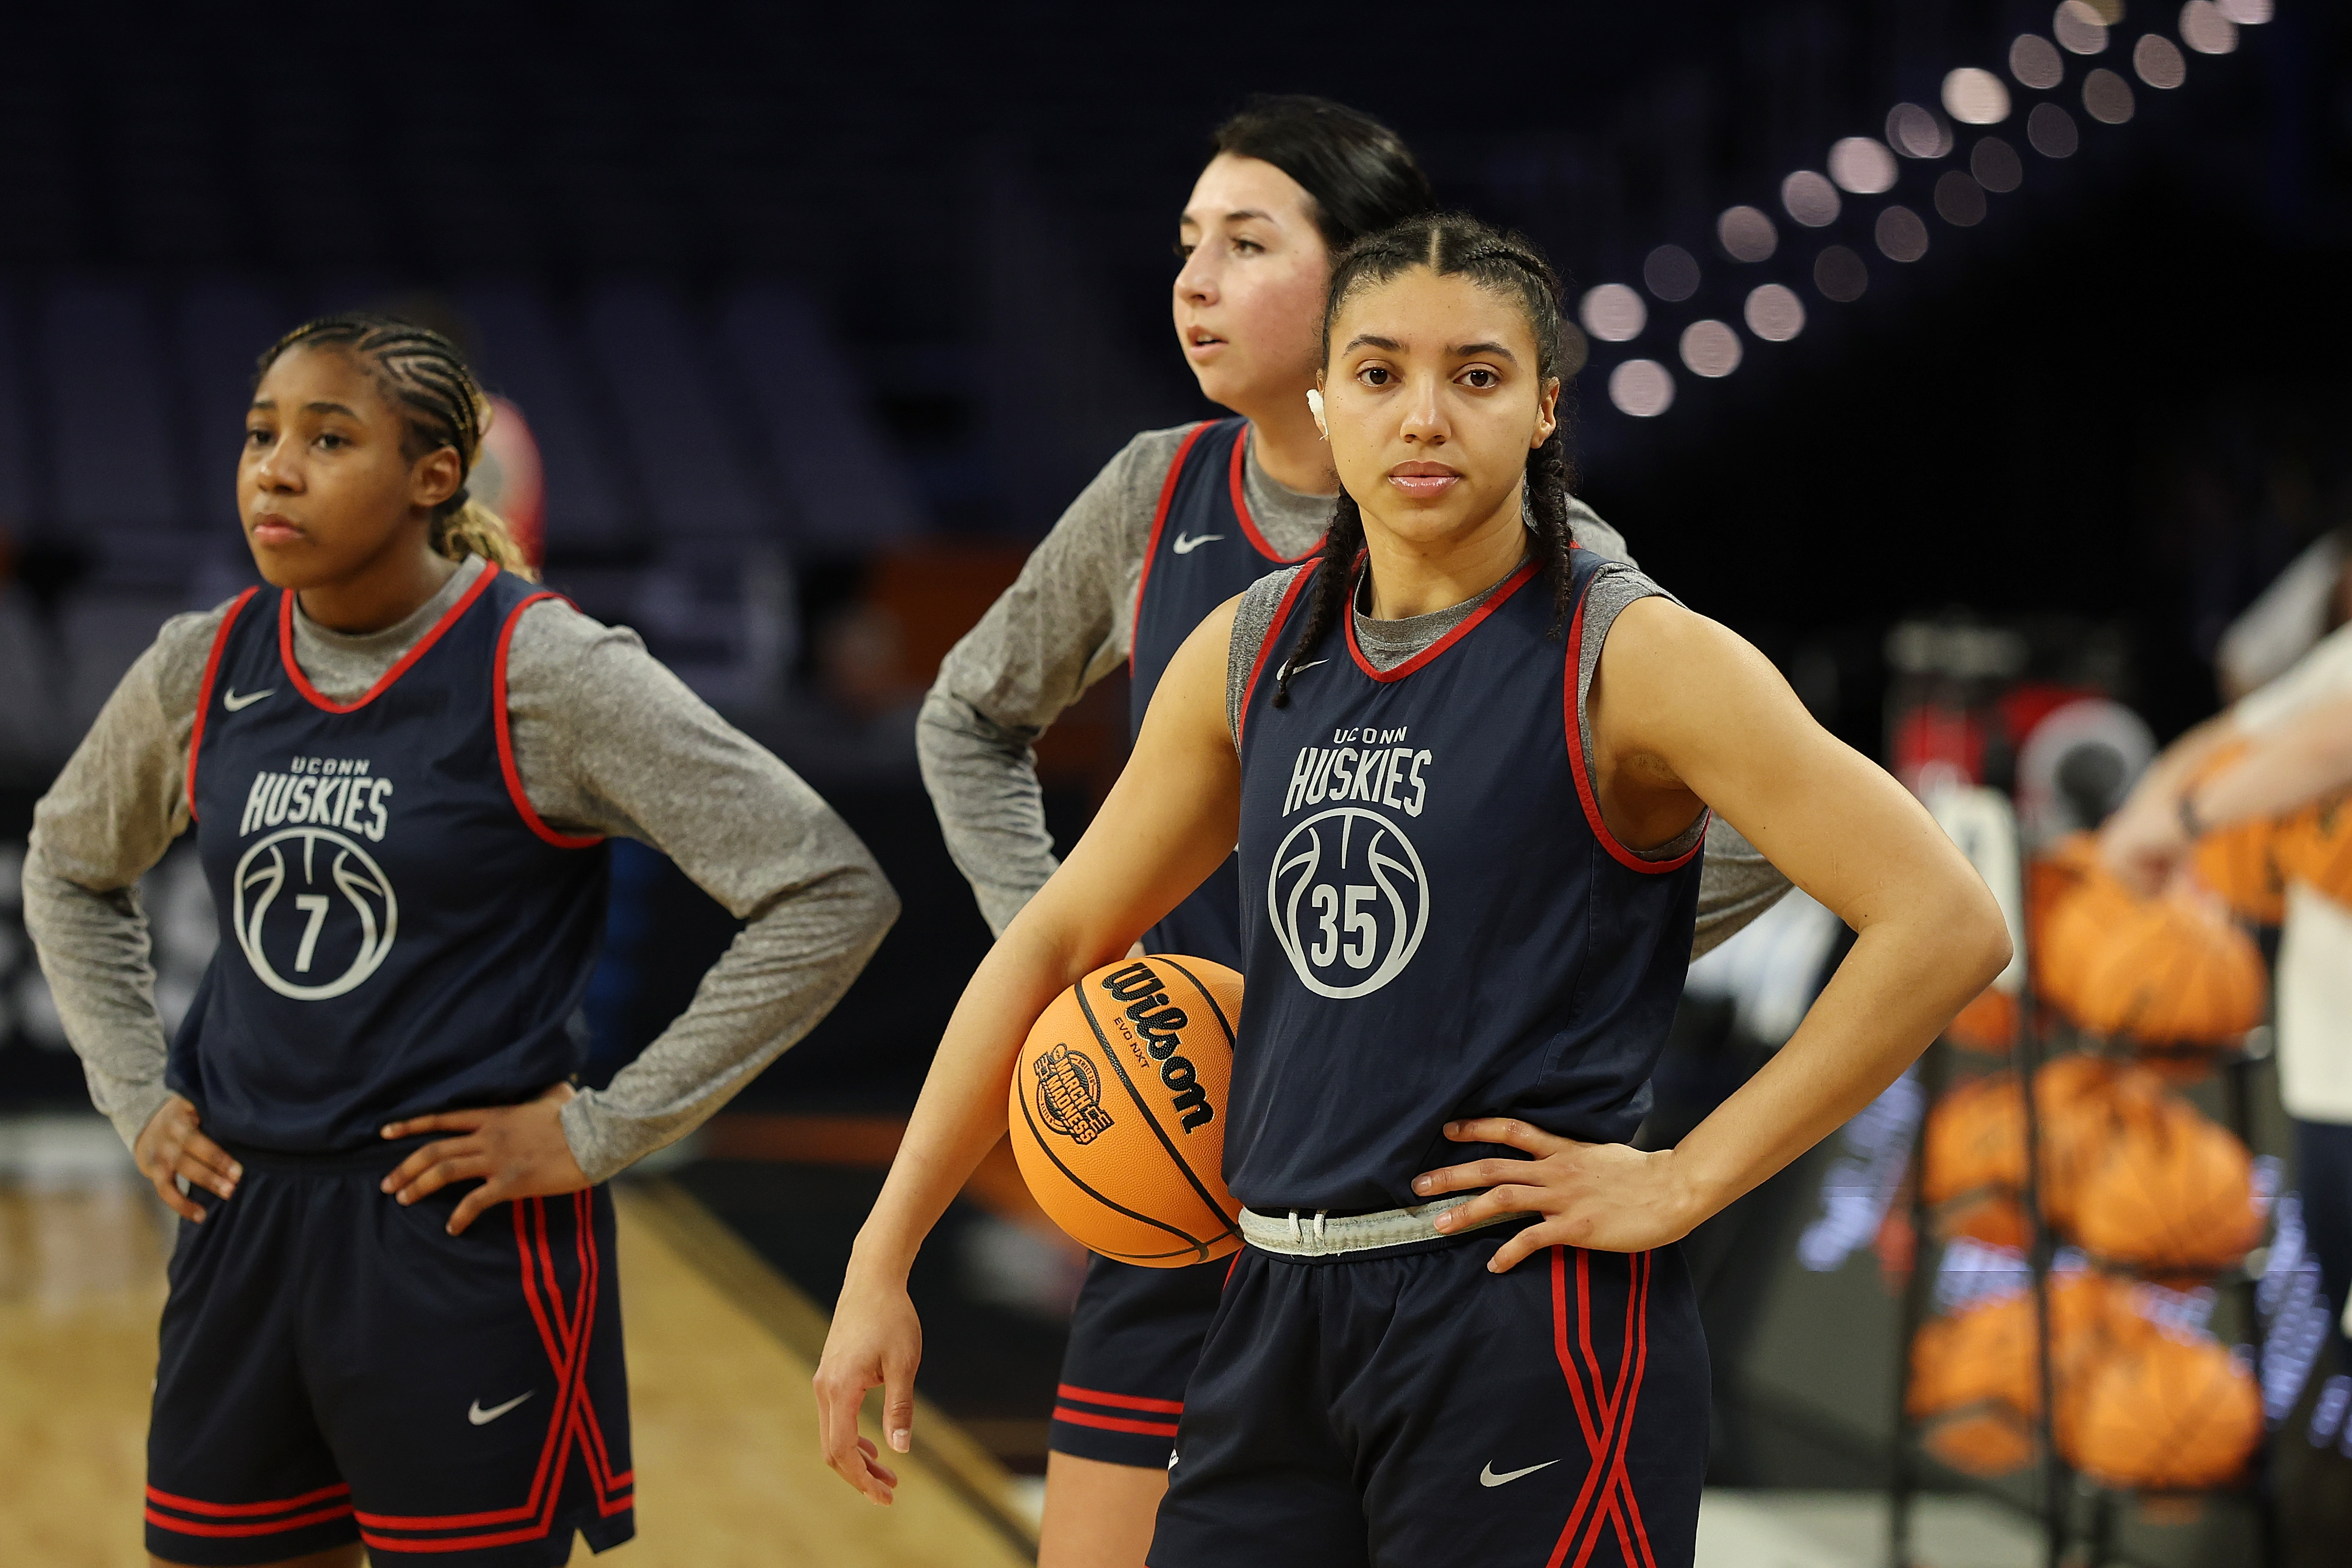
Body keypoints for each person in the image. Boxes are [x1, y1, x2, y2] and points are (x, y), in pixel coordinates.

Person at [826, 213, 2007, 1566]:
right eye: (1380, 374)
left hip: (1519, 1324)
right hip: (1267, 1306)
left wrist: (1687, 1177)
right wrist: (882, 1255)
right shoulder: (1251, 646)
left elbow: (1944, 919)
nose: (1425, 416)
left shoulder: (1636, 654)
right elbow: (1051, 946)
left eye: (1479, 375)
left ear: (1547, 405)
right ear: (1323, 401)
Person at [918, 96, 1788, 1566]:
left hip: (1419, 1202)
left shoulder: (1567, 582)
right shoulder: (1160, 494)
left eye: (1245, 245)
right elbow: (966, 718)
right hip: (1177, 1132)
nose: (1193, 281)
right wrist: (1061, 960)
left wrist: (1510, 955)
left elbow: (1763, 837)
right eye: (1186, 244)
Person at [24, 315, 897, 1568]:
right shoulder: (202, 663)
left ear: (439, 476)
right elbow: (66, 865)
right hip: (241, 1222)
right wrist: (131, 1088)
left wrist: (607, 1127)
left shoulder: (546, 668)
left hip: (457, 1241)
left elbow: (828, 888)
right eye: (261, 435)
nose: (275, 468)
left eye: (329, 439)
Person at [2101, 621, 2352, 1374]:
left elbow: (2332, 738)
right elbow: (2235, 735)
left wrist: (2179, 823)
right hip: (2329, 1063)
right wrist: (2138, 829)